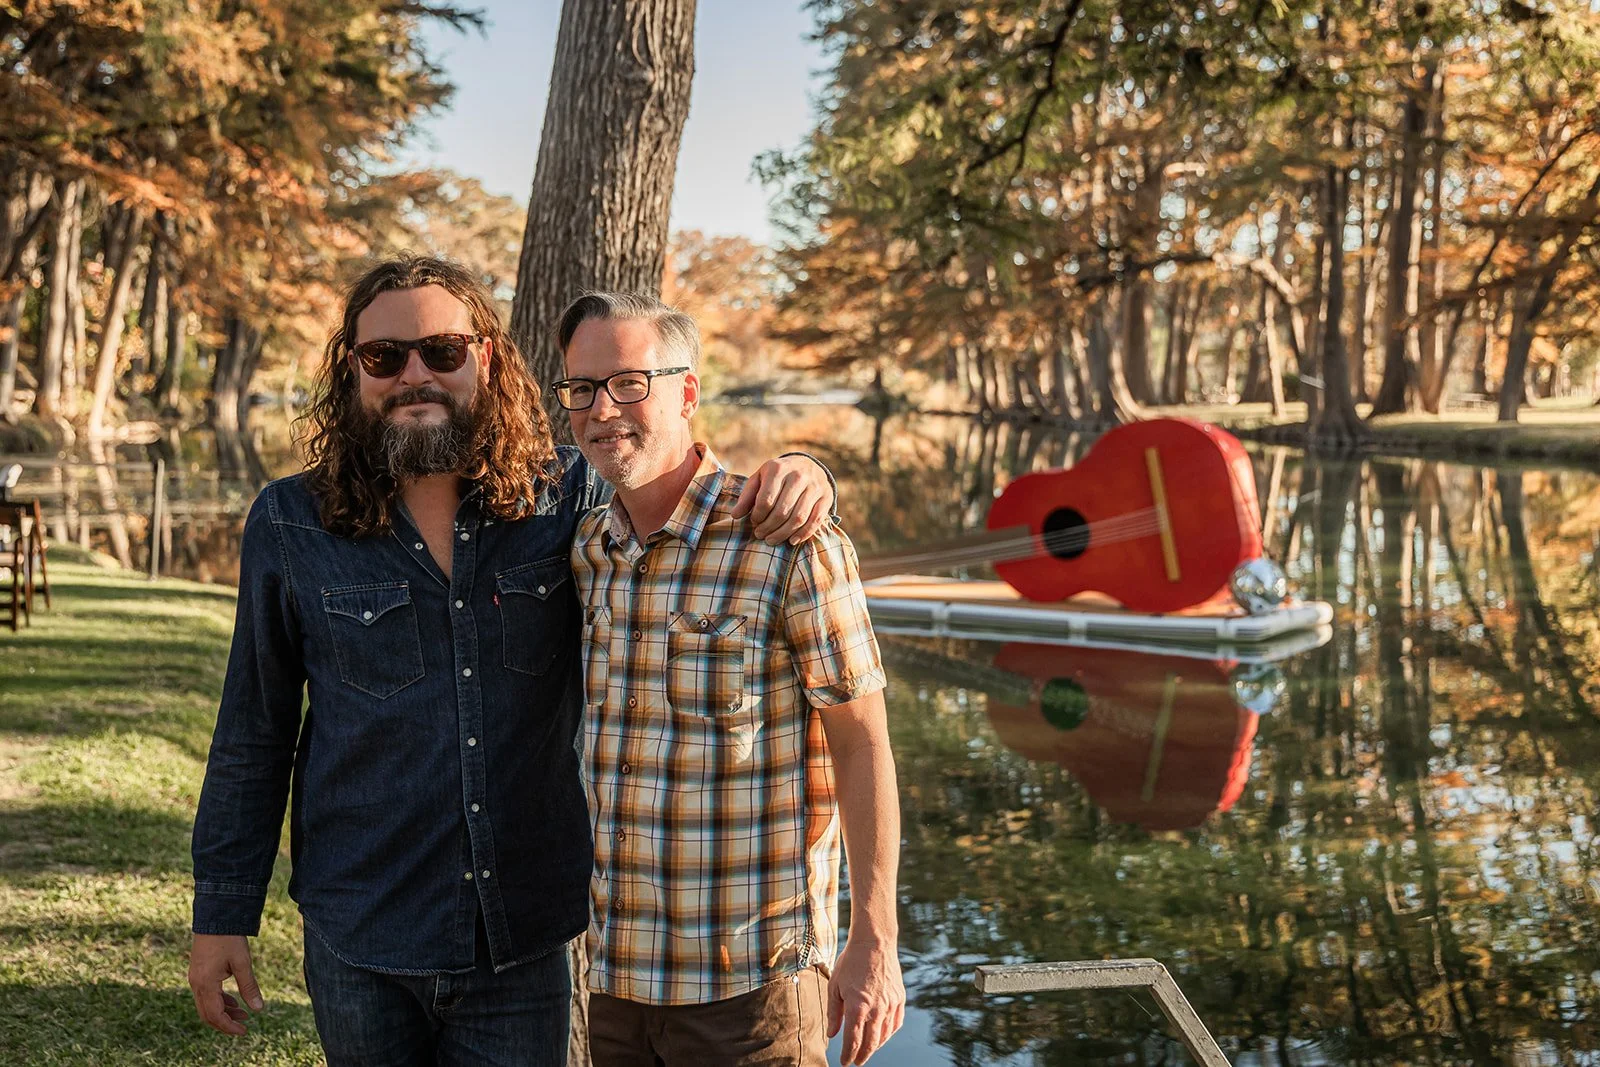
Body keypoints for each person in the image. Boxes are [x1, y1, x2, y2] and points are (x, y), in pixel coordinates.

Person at [186, 256, 836, 1067]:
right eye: (385, 357)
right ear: (353, 371)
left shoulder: (566, 496)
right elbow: (255, 731)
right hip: (360, 934)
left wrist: (809, 472)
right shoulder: (291, 522)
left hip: (526, 941)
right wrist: (222, 911)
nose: (414, 375)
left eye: (442, 352)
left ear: (485, 359)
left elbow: (673, 484)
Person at [560, 291, 905, 1066]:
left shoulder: (785, 542)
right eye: (581, 388)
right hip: (612, 982)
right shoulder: (586, 549)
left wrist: (874, 937)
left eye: (628, 382)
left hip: (751, 991)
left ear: (686, 391)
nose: (601, 408)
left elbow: (863, 745)